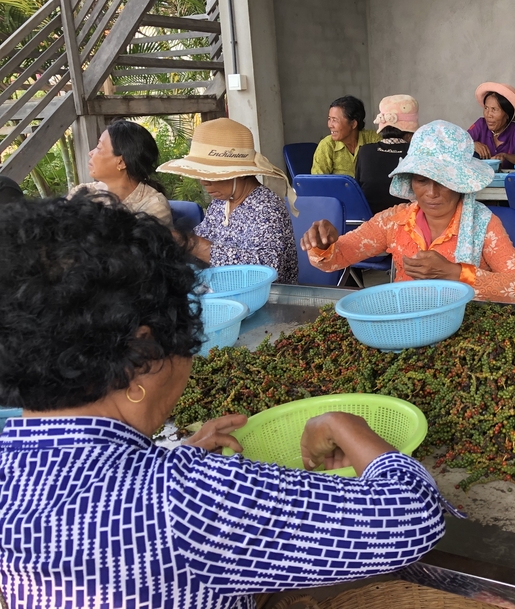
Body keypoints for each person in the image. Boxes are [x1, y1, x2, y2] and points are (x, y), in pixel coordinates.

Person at [0, 196, 451, 608]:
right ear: (143, 352)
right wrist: (344, 423)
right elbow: (408, 517)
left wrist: (176, 456)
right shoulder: (182, 499)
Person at [302, 121, 515, 304]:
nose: (432, 193)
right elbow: (335, 259)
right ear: (410, 181)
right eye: (422, 180)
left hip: (467, 333)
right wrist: (323, 244)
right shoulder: (394, 221)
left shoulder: (483, 224)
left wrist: (456, 273)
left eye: (443, 182)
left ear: (460, 183)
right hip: (407, 325)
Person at [158, 118, 299, 285]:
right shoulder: (220, 203)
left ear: (239, 172)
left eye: (211, 174)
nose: (204, 182)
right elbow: (202, 236)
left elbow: (270, 267)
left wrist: (195, 245)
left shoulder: (267, 208)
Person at [68, 119, 172, 226]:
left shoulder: (153, 206)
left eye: (99, 148)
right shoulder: (84, 192)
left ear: (121, 162)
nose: (91, 153)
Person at [355, 94, 418, 214]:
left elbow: (358, 190)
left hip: (369, 221)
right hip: (405, 223)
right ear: (410, 132)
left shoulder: (365, 151)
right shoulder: (415, 152)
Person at [310, 96, 380, 177]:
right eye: (329, 119)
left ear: (353, 124)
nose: (330, 125)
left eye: (335, 120)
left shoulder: (373, 139)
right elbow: (318, 182)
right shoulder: (327, 145)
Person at [467, 82, 515, 168]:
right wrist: (473, 144)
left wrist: (506, 156)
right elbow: (458, 142)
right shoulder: (480, 125)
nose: (488, 114)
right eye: (486, 108)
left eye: (494, 109)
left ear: (507, 114)